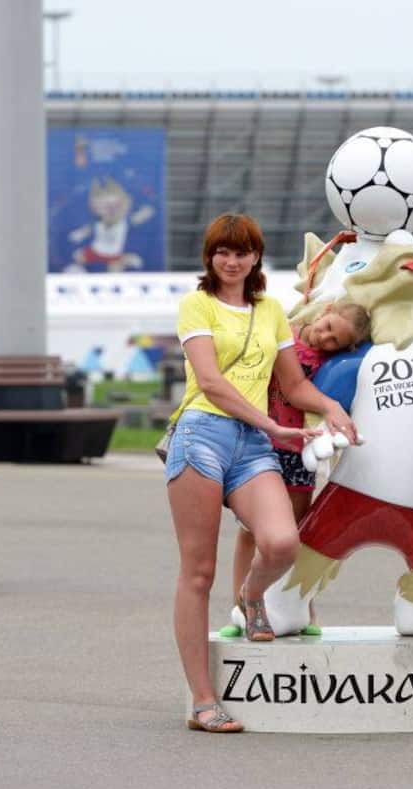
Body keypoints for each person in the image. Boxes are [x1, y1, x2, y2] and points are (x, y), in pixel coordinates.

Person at [166, 213, 357, 733]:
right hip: (201, 436)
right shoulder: (196, 305)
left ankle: (252, 596)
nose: (232, 261)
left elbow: (294, 384)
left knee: (281, 542)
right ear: (209, 257)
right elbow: (209, 382)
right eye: (223, 252)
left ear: (256, 257)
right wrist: (273, 425)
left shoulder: (271, 310)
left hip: (251, 444)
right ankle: (204, 701)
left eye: (243, 252)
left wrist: (330, 408)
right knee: (198, 573)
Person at [226, 301, 371, 636]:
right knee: (251, 531)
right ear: (326, 310)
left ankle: (300, 604)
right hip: (262, 444)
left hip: (299, 448)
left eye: (336, 340)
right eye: (329, 327)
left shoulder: (331, 363)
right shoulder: (284, 335)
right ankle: (241, 604)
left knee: (297, 532)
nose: (326, 338)